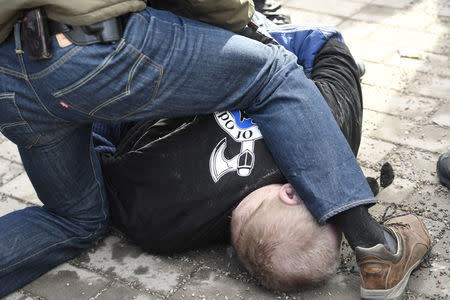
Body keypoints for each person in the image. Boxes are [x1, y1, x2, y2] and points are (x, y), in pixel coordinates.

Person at [0, 2, 430, 299]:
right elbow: (100, 143)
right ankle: (375, 245)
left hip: (24, 66)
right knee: (275, 75)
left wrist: (240, 38)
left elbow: (327, 47)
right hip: (74, 70)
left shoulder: (332, 128)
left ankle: (372, 242)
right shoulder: (157, 227)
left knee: (275, 74)